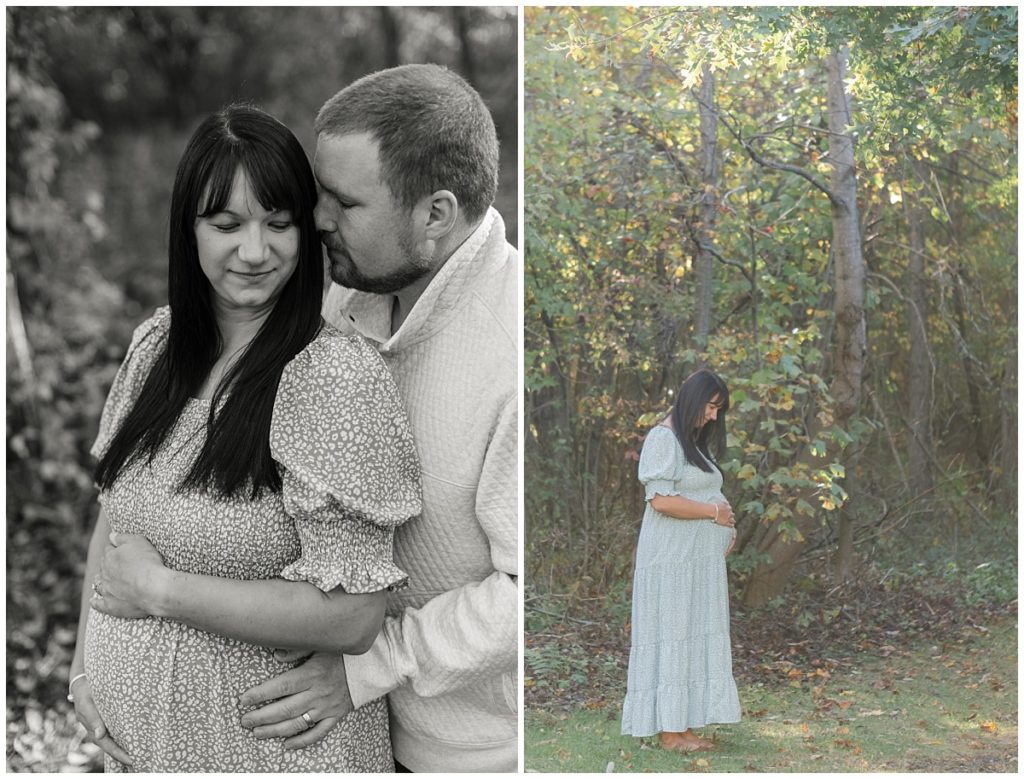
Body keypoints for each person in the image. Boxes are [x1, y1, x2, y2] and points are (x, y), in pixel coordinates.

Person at [67, 104, 421, 772]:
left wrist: (160, 591)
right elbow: (115, 520)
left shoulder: (332, 378)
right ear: (188, 229)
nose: (255, 252)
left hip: (269, 756)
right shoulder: (155, 350)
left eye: (278, 224)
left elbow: (354, 615)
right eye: (227, 225)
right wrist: (84, 667)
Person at [233, 64, 518, 772]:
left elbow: (525, 594)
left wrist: (368, 666)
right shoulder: (341, 297)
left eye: (344, 202)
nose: (317, 218)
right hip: (336, 740)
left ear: (436, 215)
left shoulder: (513, 355)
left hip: (467, 753)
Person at [621, 368, 742, 754]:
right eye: (711, 407)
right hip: (671, 563)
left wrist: (724, 527)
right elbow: (662, 500)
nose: (713, 416)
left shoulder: (691, 444)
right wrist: (713, 514)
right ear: (693, 399)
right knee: (673, 634)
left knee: (690, 636)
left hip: (696, 565)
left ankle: (684, 726)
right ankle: (670, 734)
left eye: (718, 410)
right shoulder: (663, 439)